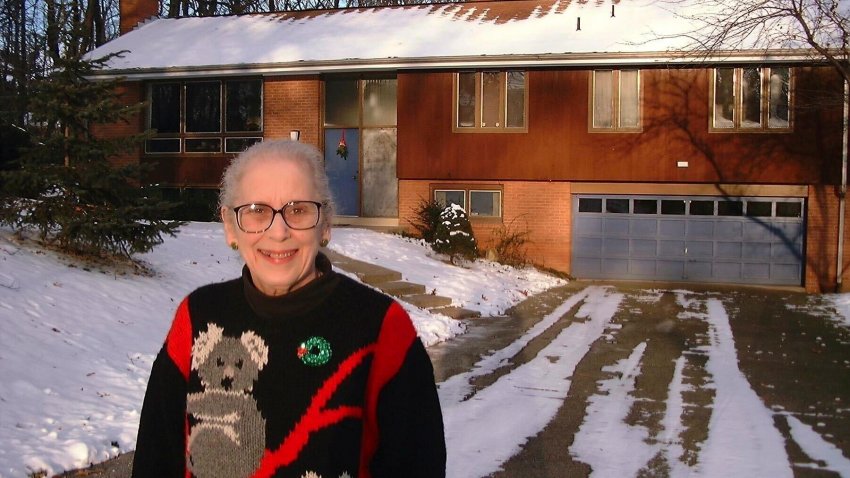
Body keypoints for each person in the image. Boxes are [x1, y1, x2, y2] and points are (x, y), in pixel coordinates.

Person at [132, 139, 446, 478]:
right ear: (229, 226)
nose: (278, 232)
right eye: (256, 211)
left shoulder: (380, 328)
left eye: (298, 210)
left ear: (325, 224)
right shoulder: (198, 318)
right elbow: (156, 459)